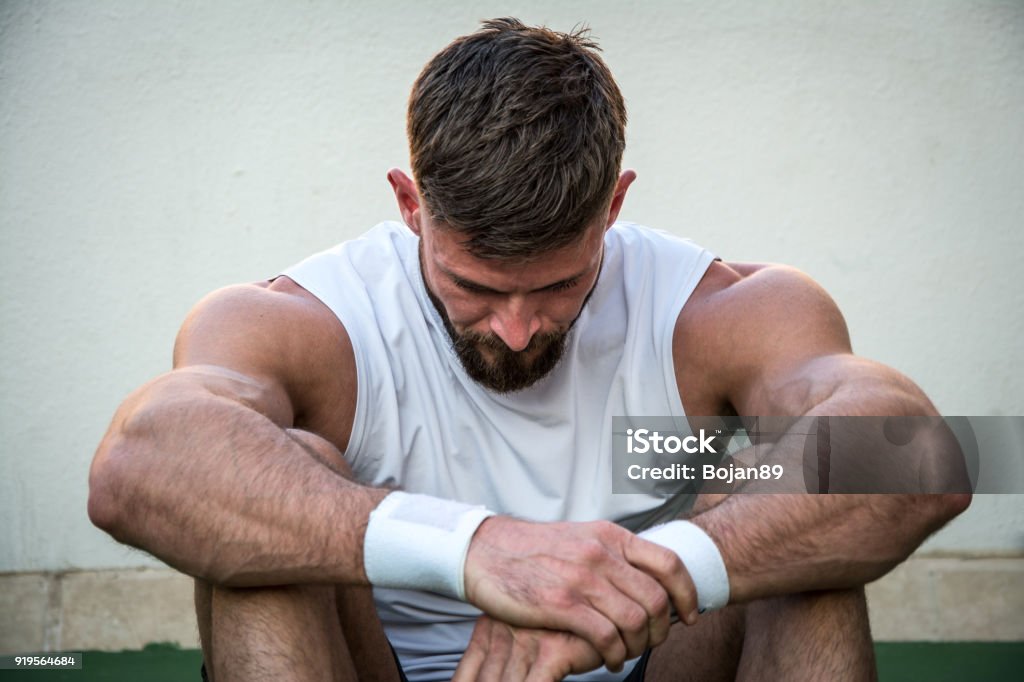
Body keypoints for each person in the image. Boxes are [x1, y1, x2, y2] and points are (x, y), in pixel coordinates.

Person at [88, 17, 971, 682]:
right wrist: (475, 549)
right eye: (474, 287)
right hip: (375, 667)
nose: (515, 329)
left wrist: (653, 579)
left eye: (555, 289)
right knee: (264, 514)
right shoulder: (303, 323)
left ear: (613, 206)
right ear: (410, 205)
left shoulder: (724, 312)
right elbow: (138, 466)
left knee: (782, 500)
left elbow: (925, 454)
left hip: (657, 662)